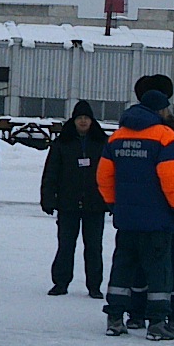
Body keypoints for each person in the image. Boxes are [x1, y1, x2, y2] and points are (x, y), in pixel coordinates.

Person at [96, 88, 174, 341]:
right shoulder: (165, 137)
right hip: (157, 219)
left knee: (123, 267)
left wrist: (114, 205)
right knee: (159, 270)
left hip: (126, 219)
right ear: (161, 110)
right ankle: (158, 323)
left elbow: (104, 176)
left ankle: (115, 318)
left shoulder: (117, 137)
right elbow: (172, 180)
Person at [41, 99, 109, 298]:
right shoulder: (62, 143)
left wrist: (111, 201)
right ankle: (60, 283)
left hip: (95, 204)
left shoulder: (101, 143)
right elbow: (50, 173)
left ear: (92, 120)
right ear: (74, 120)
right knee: (66, 245)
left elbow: (110, 173)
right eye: (80, 118)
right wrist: (47, 198)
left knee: (94, 247)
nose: (83, 122)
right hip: (67, 203)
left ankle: (94, 286)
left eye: (86, 118)